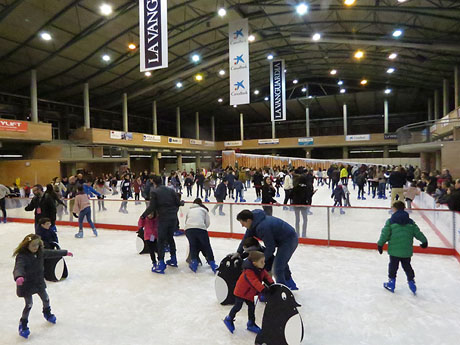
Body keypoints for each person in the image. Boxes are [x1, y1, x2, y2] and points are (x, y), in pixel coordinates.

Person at [13, 234, 73, 338]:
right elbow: (18, 267)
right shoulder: (22, 256)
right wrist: (18, 276)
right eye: (33, 245)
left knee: (46, 299)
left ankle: (47, 313)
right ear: (27, 245)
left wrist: (65, 252)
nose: (35, 247)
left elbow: (51, 253)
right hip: (26, 284)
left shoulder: (40, 252)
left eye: (37, 245)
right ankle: (23, 324)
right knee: (29, 304)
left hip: (38, 282)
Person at [235, 209, 298, 289]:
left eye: (243, 223)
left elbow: (270, 248)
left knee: (277, 267)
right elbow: (246, 238)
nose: (242, 226)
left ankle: (281, 292)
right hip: (282, 239)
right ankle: (291, 285)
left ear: (248, 220)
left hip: (289, 240)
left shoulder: (262, 227)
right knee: (281, 262)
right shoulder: (253, 223)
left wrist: (261, 260)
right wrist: (238, 252)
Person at [377, 201, 428, 294]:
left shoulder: (390, 221)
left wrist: (380, 244)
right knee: (407, 266)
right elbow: (417, 233)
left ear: (395, 209)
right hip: (406, 250)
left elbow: (385, 234)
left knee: (393, 266)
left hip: (394, 251)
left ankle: (391, 283)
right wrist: (424, 241)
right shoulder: (410, 222)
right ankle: (411, 282)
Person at [223, 251, 274, 335]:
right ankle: (229, 318)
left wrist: (271, 283)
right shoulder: (249, 272)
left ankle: (251, 323)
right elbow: (254, 282)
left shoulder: (260, 269)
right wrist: (263, 290)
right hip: (241, 292)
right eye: (262, 262)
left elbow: (266, 276)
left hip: (249, 293)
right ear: (254, 263)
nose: (264, 263)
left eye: (264, 261)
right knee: (237, 307)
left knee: (251, 308)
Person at [141, 175, 184, 274]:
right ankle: (173, 259)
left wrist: (143, 215)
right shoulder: (170, 190)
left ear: (154, 183)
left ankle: (161, 263)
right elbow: (177, 202)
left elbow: (152, 207)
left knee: (160, 241)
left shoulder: (154, 192)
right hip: (173, 218)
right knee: (170, 238)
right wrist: (181, 202)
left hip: (164, 219)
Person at [184, 198, 218, 273]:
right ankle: (212, 263)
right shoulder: (203, 210)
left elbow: (186, 221)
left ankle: (194, 263)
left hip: (189, 229)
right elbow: (207, 222)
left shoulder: (189, 210)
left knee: (193, 245)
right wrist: (203, 227)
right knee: (206, 246)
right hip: (201, 229)